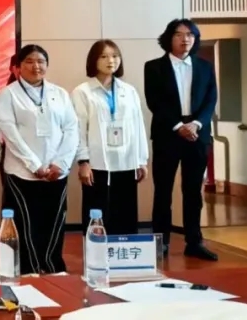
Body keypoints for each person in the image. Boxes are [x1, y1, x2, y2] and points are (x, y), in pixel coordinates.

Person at [0, 44, 79, 274]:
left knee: (54, 221)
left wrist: (61, 163)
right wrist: (34, 165)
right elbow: (9, 133)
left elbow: (71, 129)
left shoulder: (59, 93)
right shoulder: (8, 94)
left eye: (41, 61)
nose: (36, 66)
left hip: (56, 172)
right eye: (29, 61)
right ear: (18, 67)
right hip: (22, 172)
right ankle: (29, 268)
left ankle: (52, 265)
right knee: (25, 222)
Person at [145, 19, 219, 261]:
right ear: (169, 38)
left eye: (190, 34)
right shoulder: (154, 67)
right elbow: (155, 102)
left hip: (197, 134)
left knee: (193, 191)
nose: (185, 39)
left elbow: (211, 99)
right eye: (179, 34)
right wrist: (178, 126)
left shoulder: (205, 66)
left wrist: (196, 124)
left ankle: (194, 242)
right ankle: (161, 242)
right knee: (163, 191)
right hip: (168, 134)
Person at [72, 40, 148, 236]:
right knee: (97, 214)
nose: (110, 61)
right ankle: (96, 251)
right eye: (104, 56)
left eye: (115, 56)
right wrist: (83, 161)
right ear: (94, 60)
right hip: (97, 164)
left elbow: (138, 125)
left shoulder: (128, 90)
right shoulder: (83, 92)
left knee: (125, 215)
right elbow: (78, 129)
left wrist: (141, 159)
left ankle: (123, 252)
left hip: (126, 161)